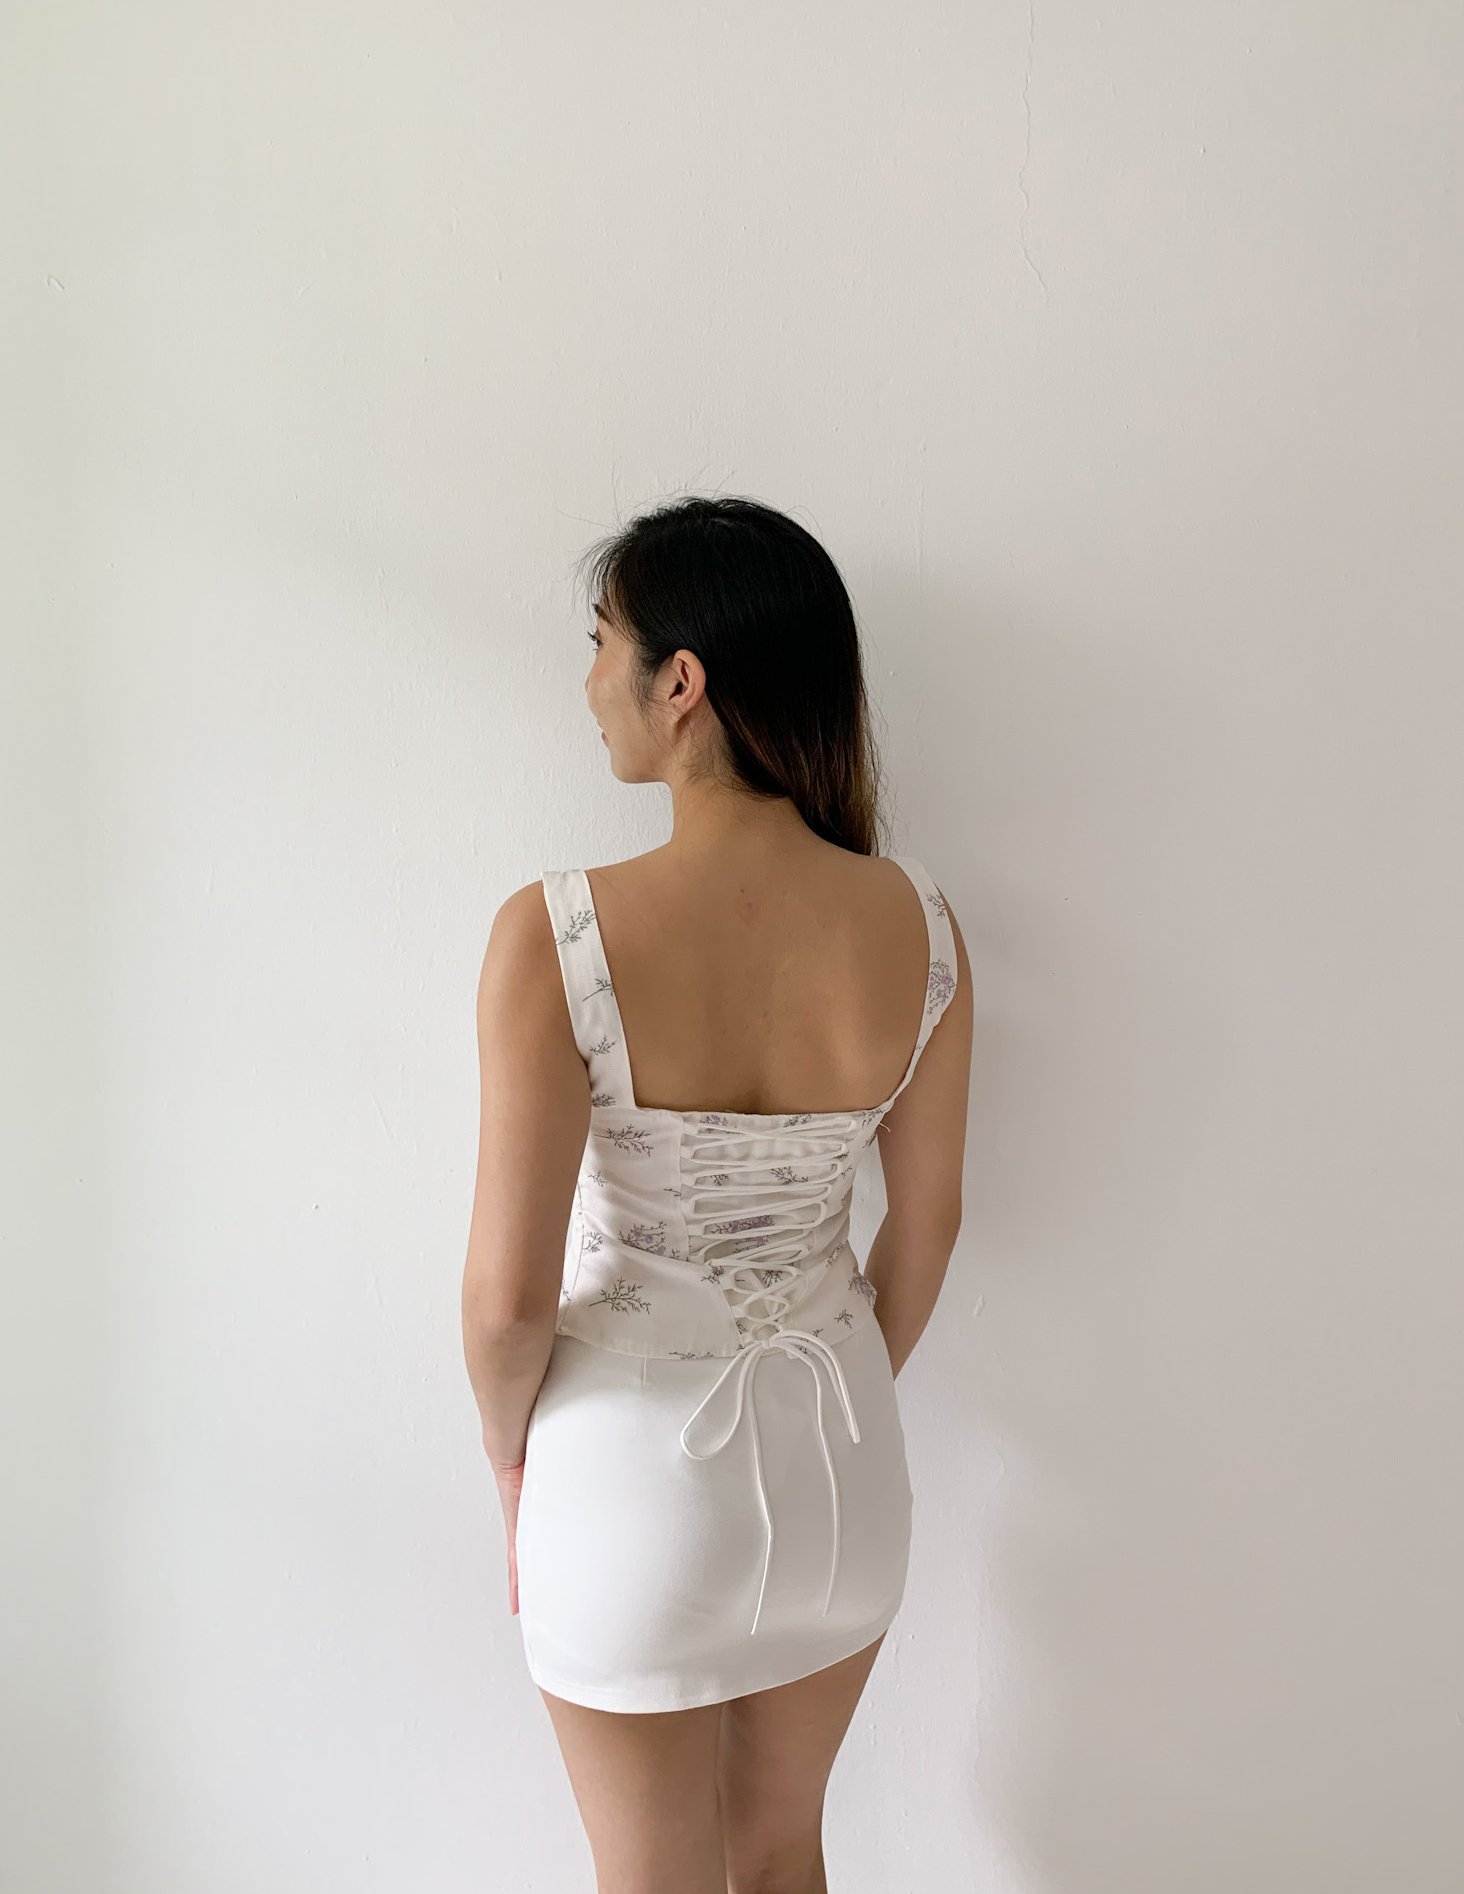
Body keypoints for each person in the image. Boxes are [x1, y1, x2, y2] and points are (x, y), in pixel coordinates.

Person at [462, 495, 973, 1894]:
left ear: (679, 682)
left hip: (629, 1482)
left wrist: (512, 1465)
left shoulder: (558, 934)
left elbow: (505, 1306)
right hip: (841, 1475)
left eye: (602, 643)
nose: (589, 682)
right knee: (784, 1855)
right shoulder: (921, 927)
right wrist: (839, 1383)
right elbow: (926, 1228)